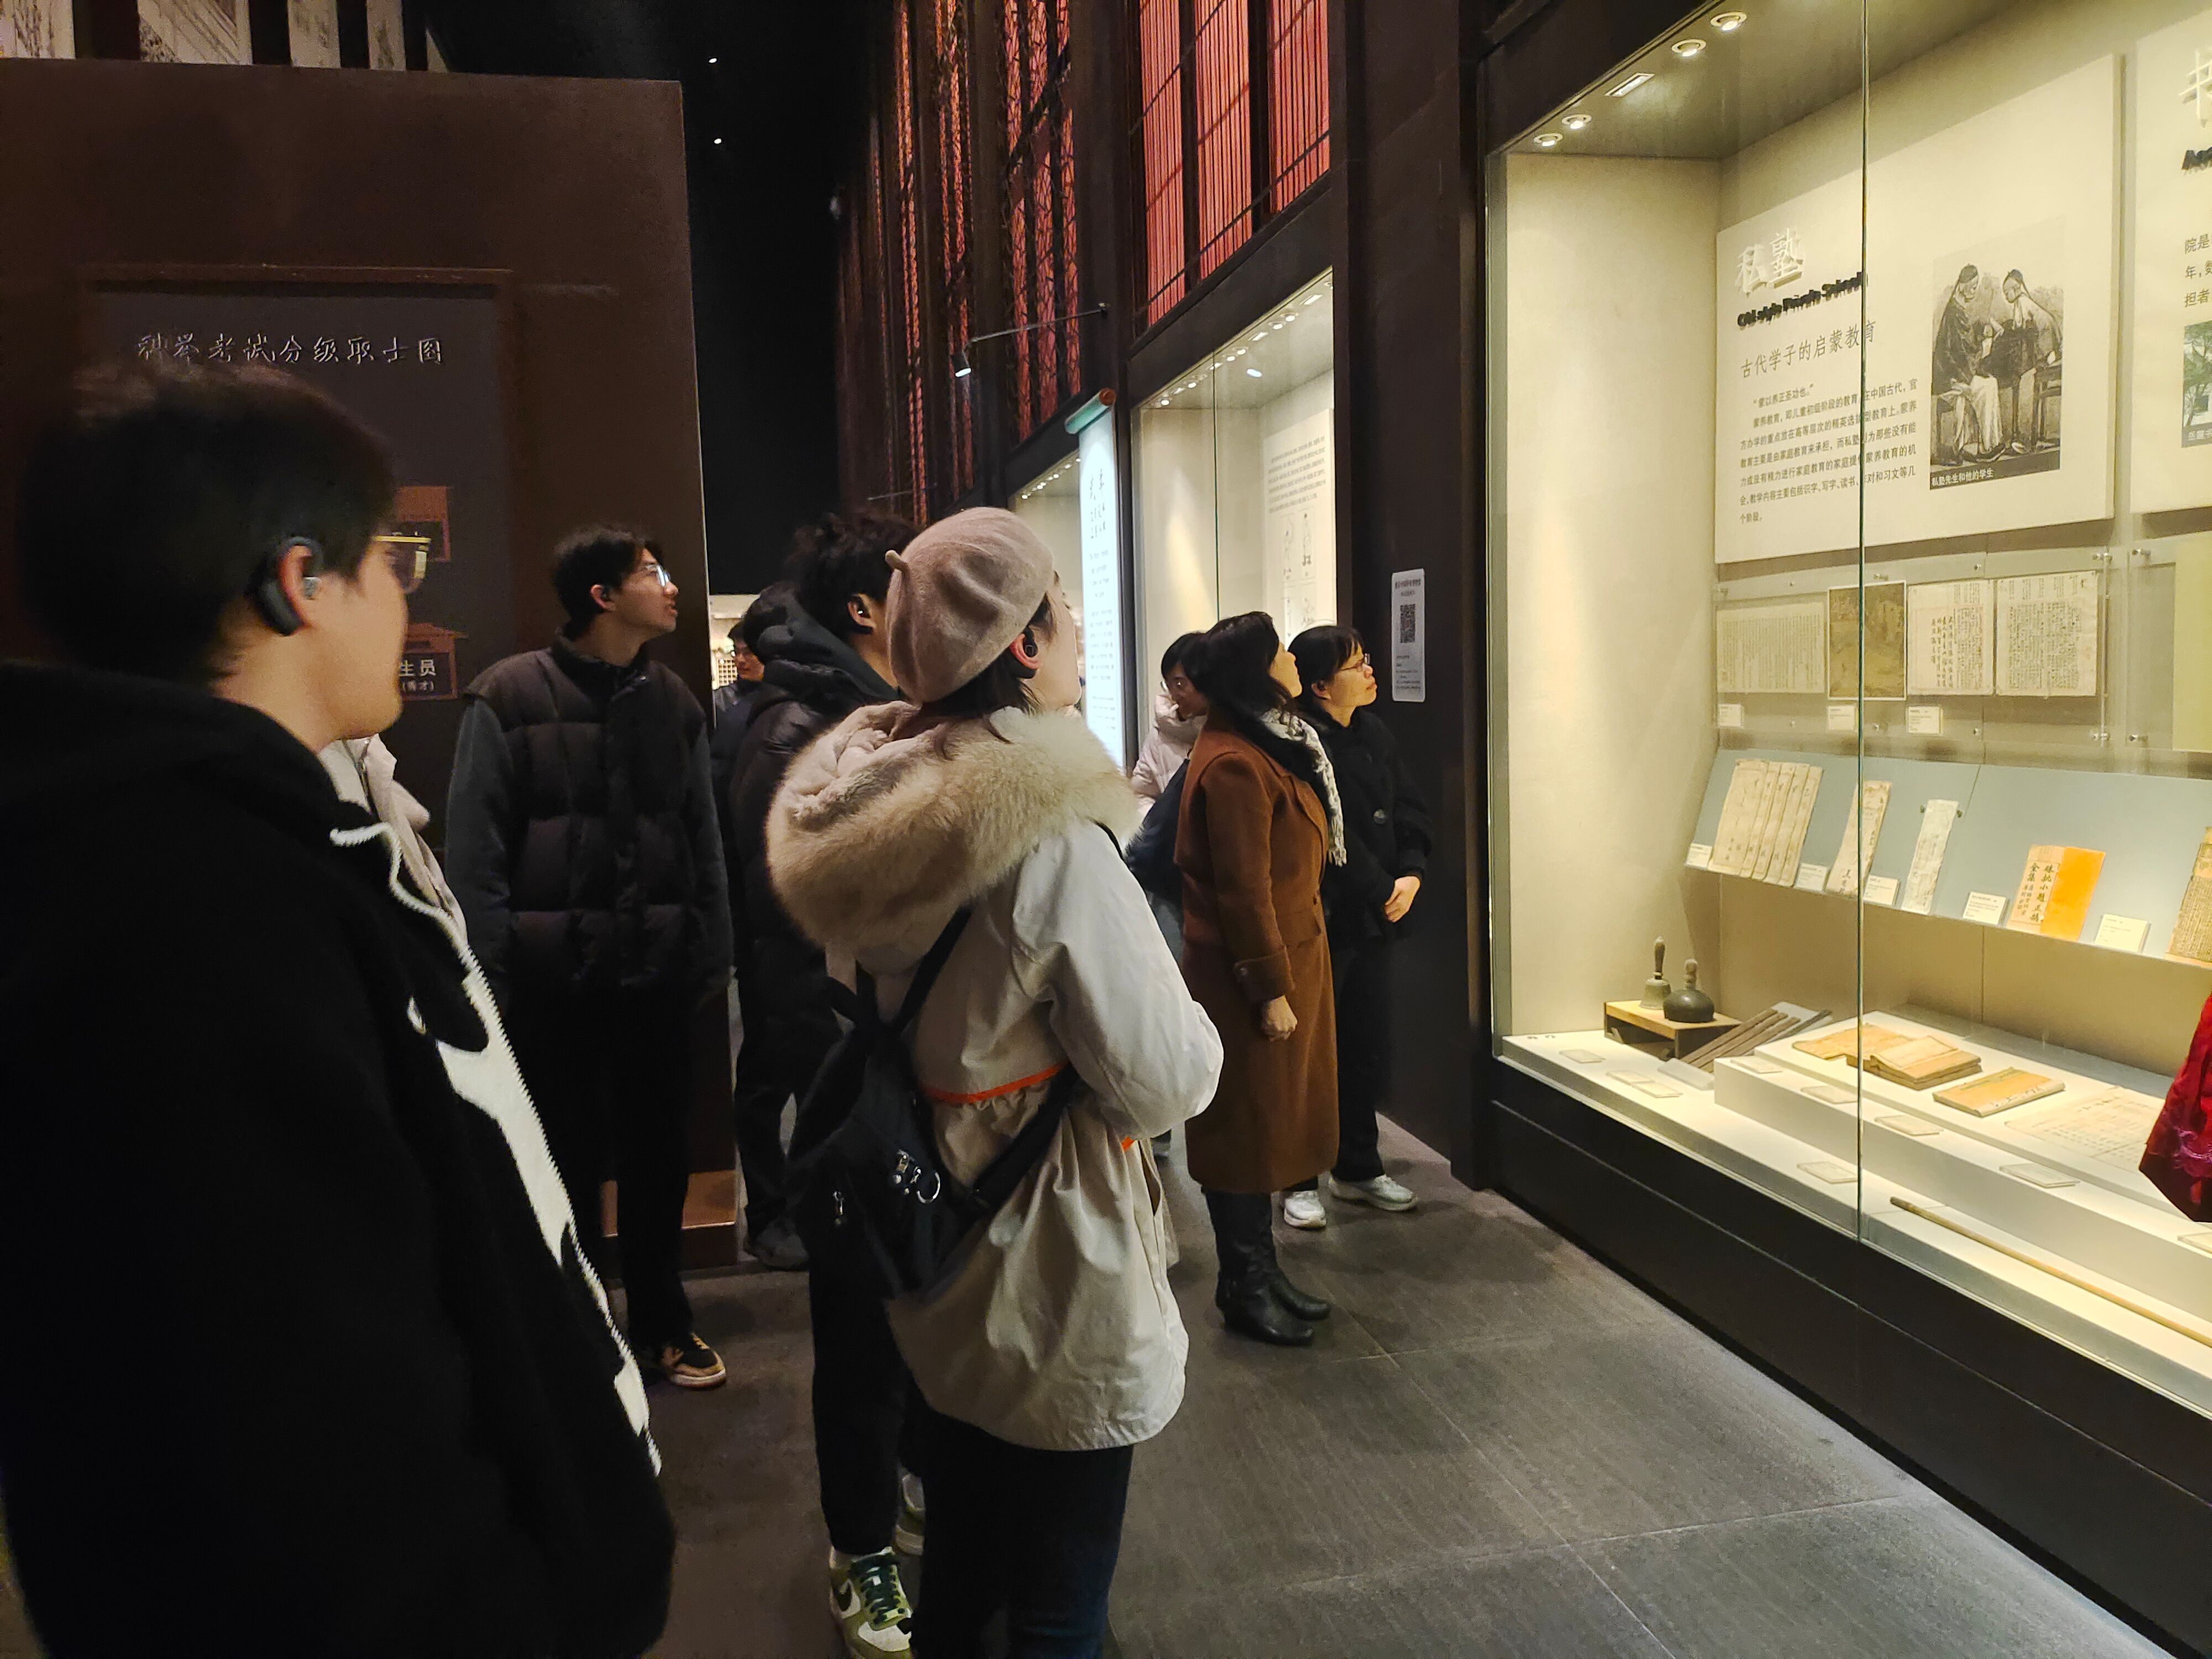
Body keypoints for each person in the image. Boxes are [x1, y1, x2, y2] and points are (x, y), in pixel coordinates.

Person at [0, 361, 671, 1655]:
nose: (405, 599)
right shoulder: (201, 910)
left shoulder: (219, 846)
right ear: (297, 581)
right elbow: (315, 1443)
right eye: (387, 563)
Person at [768, 507, 1222, 1658]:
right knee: (1059, 1602)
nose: (1075, 627)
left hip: (935, 1241)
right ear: (1021, 642)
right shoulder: (1050, 835)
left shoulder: (870, 814)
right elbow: (1163, 1077)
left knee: (965, 1561)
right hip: (1053, 1262)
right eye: (1059, 604)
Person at [445, 525, 733, 1390]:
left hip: (656, 974)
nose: (670, 587)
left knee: (658, 1160)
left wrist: (711, 950)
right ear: (601, 597)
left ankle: (664, 1322)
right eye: (651, 573)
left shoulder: (673, 700)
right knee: (560, 1158)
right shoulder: (507, 695)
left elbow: (703, 837)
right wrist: (490, 976)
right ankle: (579, 1328)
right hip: (551, 985)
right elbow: (475, 853)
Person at [728, 512, 924, 1655]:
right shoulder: (807, 732)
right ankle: (860, 1547)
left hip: (891, 1055)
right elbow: (794, 928)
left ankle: (901, 1481)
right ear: (865, 609)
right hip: (851, 1066)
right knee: (858, 1315)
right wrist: (849, 1063)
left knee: (909, 1298)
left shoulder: (877, 714)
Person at [728, 514, 907, 1276]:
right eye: (910, 587)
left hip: (858, 993)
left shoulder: (862, 708)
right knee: (836, 1163)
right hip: (824, 993)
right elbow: (783, 902)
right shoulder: (800, 727)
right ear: (863, 610)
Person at [1177, 611, 1343, 1346]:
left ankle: (1258, 1271)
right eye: (1280, 652)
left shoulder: (1260, 743)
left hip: (1286, 959)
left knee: (1267, 1123)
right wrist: (1268, 988)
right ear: (1255, 669)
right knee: (1243, 1128)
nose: (1291, 660)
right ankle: (1243, 1282)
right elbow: (1243, 892)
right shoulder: (1235, 763)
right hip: (1248, 975)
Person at [1280, 625, 1432, 1231]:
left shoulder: (1375, 731)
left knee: (1363, 1044)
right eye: (1356, 665)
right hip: (1326, 916)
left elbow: (1409, 807)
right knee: (1312, 1052)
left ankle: (1358, 1166)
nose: (1370, 672)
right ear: (1320, 686)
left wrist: (1412, 873)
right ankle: (1297, 1177)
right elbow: (1325, 832)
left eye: (1366, 661)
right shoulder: (1300, 742)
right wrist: (1380, 887)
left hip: (1375, 916)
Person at [1934, 264, 2002, 461]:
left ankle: (1992, 443)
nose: (1974, 291)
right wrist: (1986, 345)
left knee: (1991, 382)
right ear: (1962, 286)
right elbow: (1956, 354)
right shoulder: (1954, 313)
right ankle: (1987, 447)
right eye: (1972, 287)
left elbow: (1964, 347)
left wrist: (1980, 337)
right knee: (1986, 388)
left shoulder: (1958, 311)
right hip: (1949, 378)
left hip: (1958, 373)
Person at [1129, 632, 1206, 801]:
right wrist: (1161, 817)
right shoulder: (1161, 734)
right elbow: (1140, 794)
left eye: (1180, 684)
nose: (1173, 695)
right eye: (1168, 685)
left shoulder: (1233, 733)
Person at [1994, 268, 2060, 455]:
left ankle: (2025, 439)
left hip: (2046, 339)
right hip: (2050, 339)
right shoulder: (2025, 301)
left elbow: (2020, 327)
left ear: (2017, 289)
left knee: (2028, 376)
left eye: (2008, 292)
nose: (2006, 296)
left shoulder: (2022, 302)